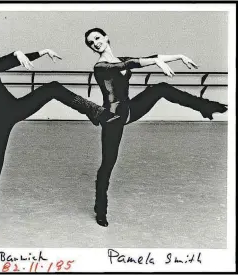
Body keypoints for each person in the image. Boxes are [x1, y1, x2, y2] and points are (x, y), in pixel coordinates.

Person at [0, 34, 120, 228]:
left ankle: (97, 113)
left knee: (52, 88)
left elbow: (3, 64)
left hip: (15, 107)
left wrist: (41, 52)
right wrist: (15, 54)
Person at [84, 28, 228, 227]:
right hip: (112, 118)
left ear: (106, 37)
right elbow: (128, 64)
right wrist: (157, 62)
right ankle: (100, 209)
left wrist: (178, 56)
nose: (96, 43)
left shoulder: (120, 58)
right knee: (107, 165)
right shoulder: (100, 66)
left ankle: (206, 108)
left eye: (97, 38)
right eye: (91, 43)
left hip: (129, 110)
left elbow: (147, 58)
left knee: (160, 88)